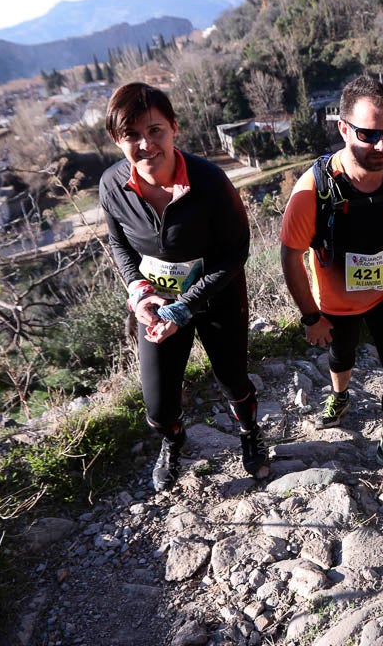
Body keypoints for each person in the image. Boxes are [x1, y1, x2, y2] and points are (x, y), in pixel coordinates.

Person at [99, 82, 269, 491]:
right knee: (158, 404)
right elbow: (118, 243)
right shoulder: (111, 185)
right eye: (132, 135)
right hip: (157, 305)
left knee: (232, 378)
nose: (145, 144)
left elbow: (234, 254)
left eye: (155, 130)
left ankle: (249, 433)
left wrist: (186, 307)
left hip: (218, 296)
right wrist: (138, 289)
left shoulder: (210, 182)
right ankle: (173, 442)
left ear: (174, 128)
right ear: (117, 140)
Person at [280, 75, 383, 484]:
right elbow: (291, 255)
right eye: (368, 135)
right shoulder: (314, 188)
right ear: (343, 127)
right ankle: (339, 395)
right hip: (335, 303)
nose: (382, 145)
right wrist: (311, 316)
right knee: (341, 357)